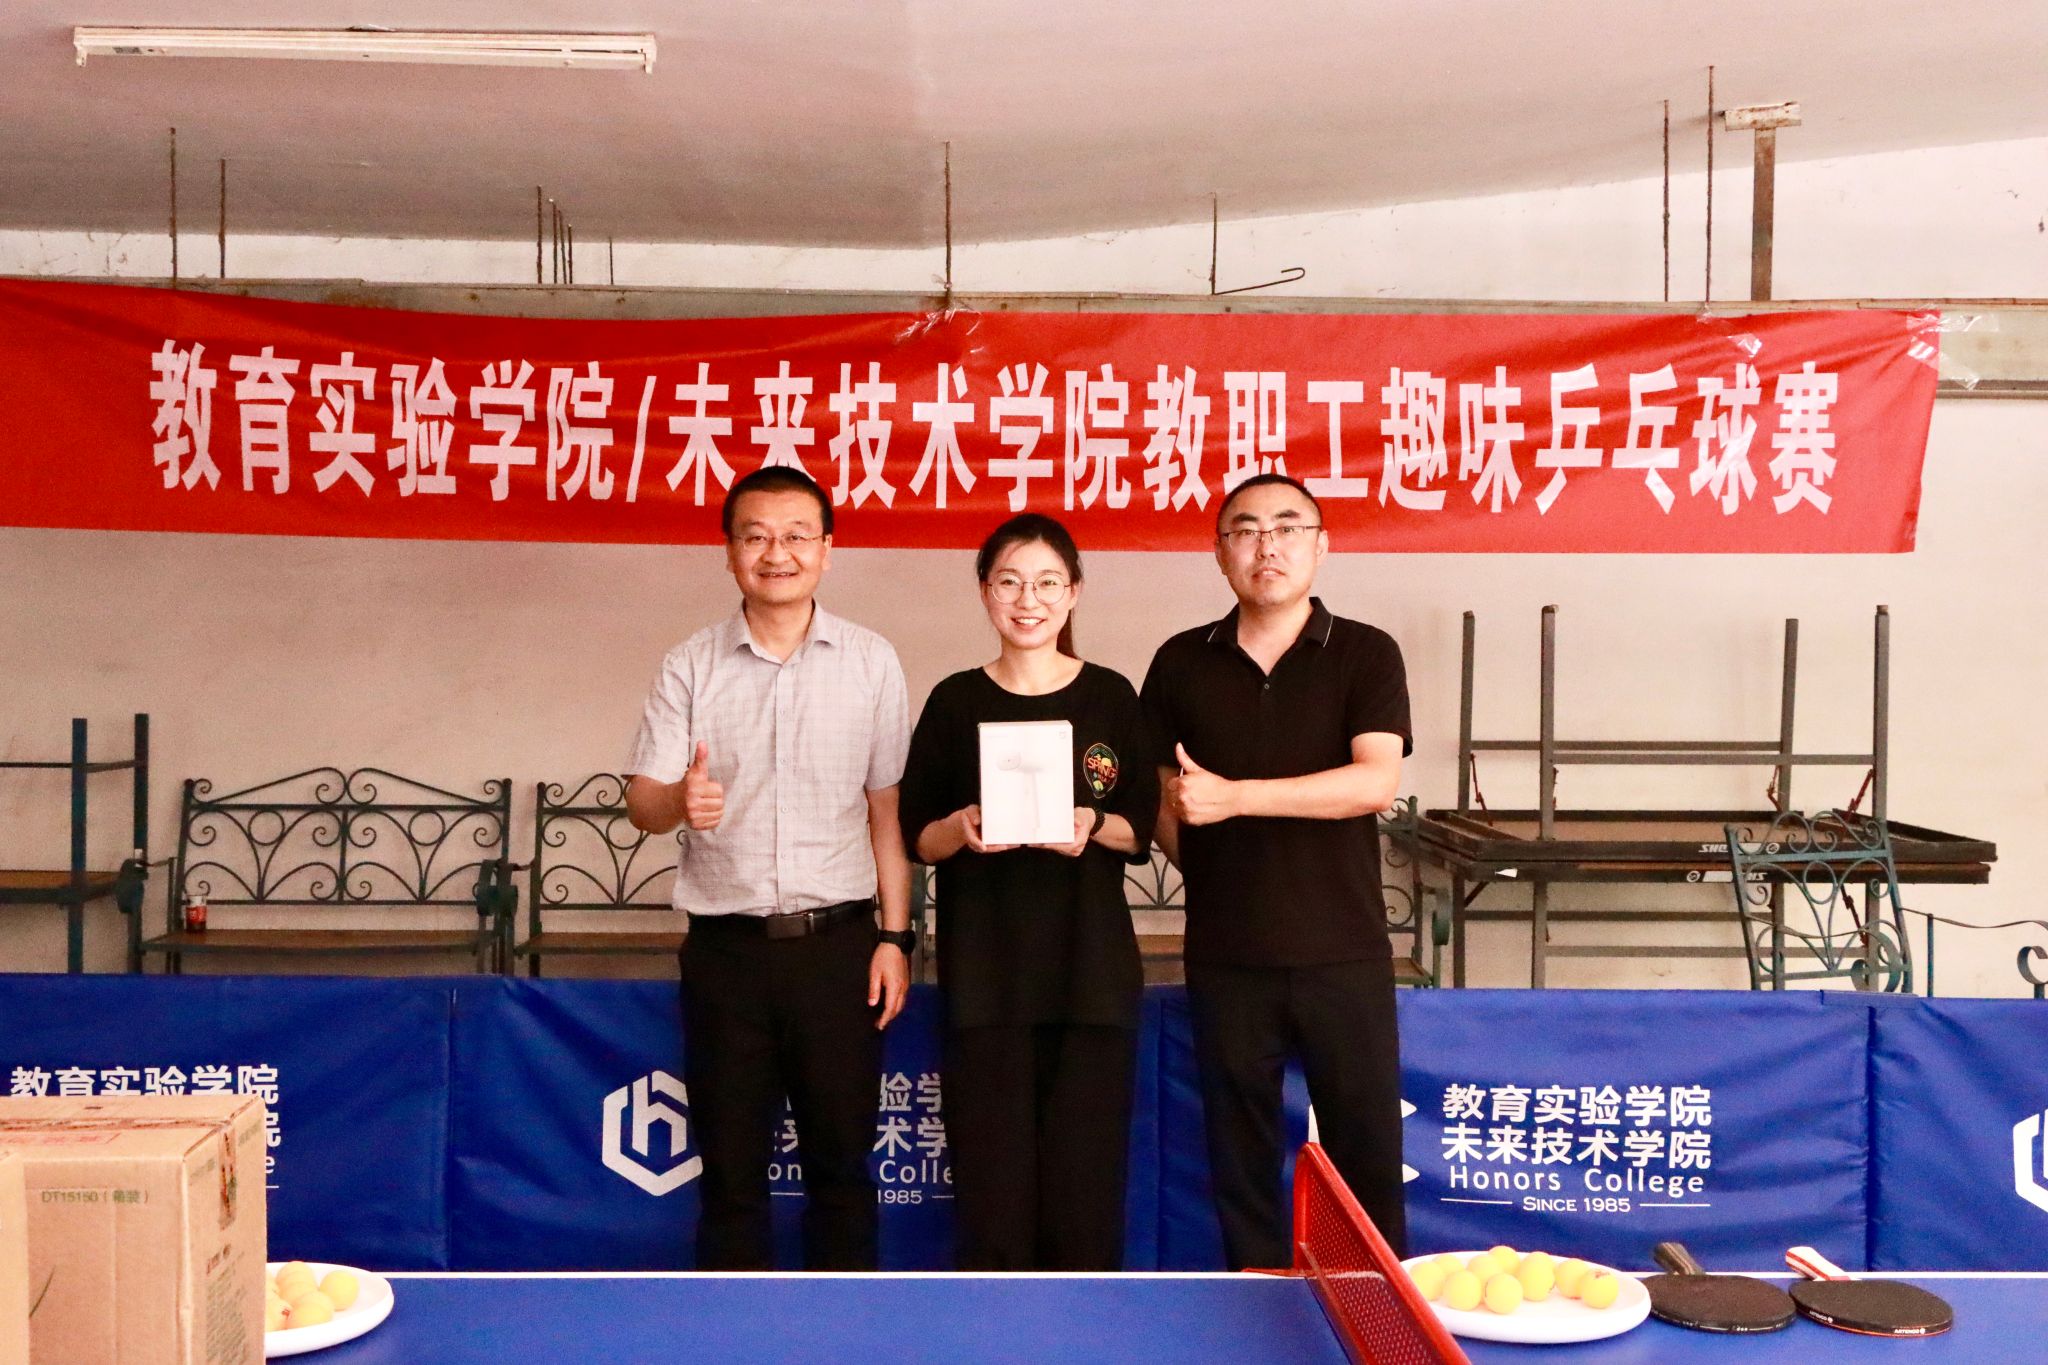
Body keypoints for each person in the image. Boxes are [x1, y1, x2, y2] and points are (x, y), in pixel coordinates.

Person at [622, 466, 914, 1271]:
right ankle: (730, 1330)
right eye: (755, 536)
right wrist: (680, 799)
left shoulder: (871, 661)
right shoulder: (690, 664)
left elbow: (887, 814)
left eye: (795, 535)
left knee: (842, 1170)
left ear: (827, 548)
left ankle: (846, 1329)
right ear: (729, 552)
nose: (775, 553)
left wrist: (896, 938)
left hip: (839, 952)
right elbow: (642, 803)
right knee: (731, 1177)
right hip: (728, 954)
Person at [1139, 472, 1412, 1270]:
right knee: (1239, 1155)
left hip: (1344, 949)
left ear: (1321, 547)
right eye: (1248, 529)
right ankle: (1255, 1302)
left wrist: (1237, 798)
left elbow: (1374, 782)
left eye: (1288, 527)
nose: (1269, 545)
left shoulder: (1365, 651)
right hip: (1228, 953)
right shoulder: (1181, 660)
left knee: (1365, 1149)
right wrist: (1208, 859)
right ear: (1220, 552)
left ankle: (1374, 1300)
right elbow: (1158, 789)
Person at [898, 514, 1157, 1270]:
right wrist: (961, 828)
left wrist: (1092, 823)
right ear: (985, 592)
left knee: (1086, 1189)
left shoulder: (1111, 695)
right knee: (993, 1192)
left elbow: (1140, 827)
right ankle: (998, 1325)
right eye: (1009, 582)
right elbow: (918, 836)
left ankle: (1085, 1325)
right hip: (988, 977)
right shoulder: (954, 700)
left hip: (1090, 975)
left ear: (1073, 592)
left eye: (1046, 582)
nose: (1028, 599)